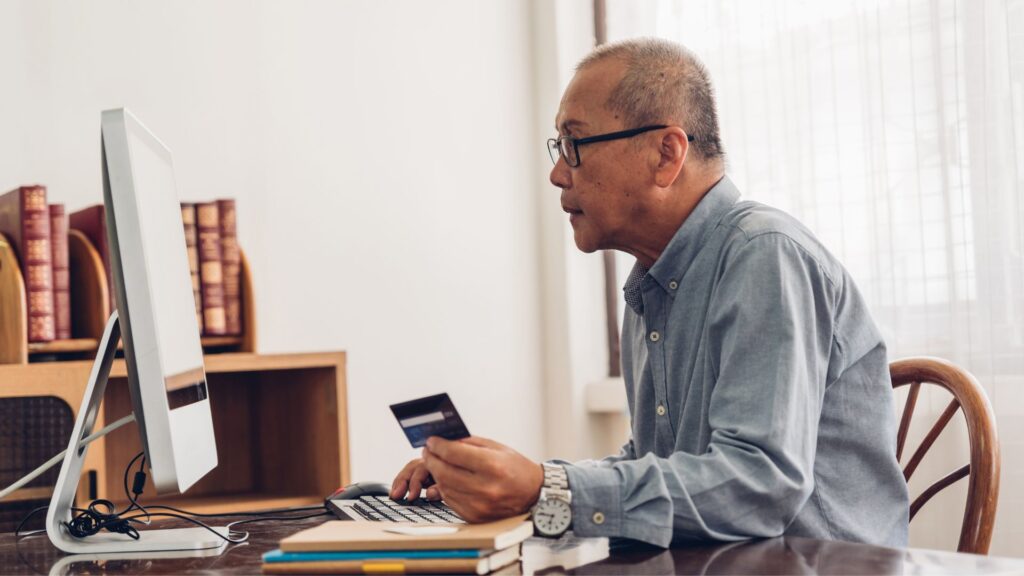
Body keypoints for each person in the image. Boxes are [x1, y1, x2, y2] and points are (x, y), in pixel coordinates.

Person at [390, 37, 909, 548]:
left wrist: (544, 490)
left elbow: (759, 487)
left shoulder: (765, 255)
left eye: (575, 144)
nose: (556, 174)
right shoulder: (651, 285)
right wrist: (510, 482)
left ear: (666, 154)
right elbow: (653, 467)